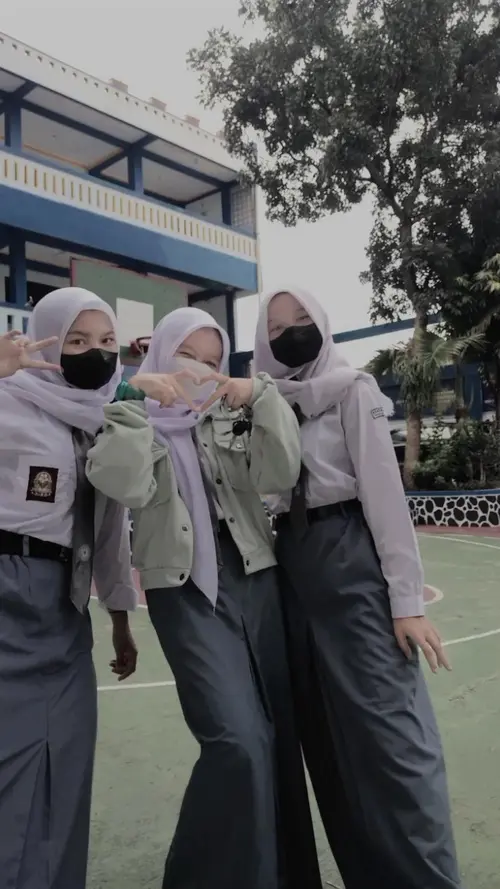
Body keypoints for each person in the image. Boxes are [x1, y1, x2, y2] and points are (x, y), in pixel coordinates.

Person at [86, 306, 323, 889]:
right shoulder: (129, 416)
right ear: (162, 355)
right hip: (183, 588)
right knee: (237, 740)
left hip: (255, 575)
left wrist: (259, 395)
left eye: (212, 361)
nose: (198, 371)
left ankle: (283, 874)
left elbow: (279, 474)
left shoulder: (229, 414)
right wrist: (134, 398)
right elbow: (121, 485)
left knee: (276, 731)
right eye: (186, 357)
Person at [253, 287, 462, 889]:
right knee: (325, 740)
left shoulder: (352, 390)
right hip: (291, 567)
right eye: (276, 328)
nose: (291, 333)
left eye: (302, 320)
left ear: (323, 324)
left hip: (349, 550)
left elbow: (384, 497)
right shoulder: (266, 403)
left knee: (391, 741)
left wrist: (406, 602)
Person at [0, 288, 138, 889]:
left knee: (66, 761)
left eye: (106, 342)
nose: (94, 354)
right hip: (6, 592)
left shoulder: (106, 422)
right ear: (48, 342)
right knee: (10, 765)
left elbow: (110, 530)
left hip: (65, 603)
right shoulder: (8, 397)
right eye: (76, 341)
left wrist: (120, 617)